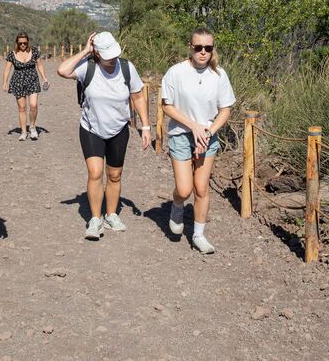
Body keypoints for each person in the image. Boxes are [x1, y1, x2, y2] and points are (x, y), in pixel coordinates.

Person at [57, 31, 151, 239]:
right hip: (91, 128)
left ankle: (111, 215)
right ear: (97, 53)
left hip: (119, 129)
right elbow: (62, 70)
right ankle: (95, 218)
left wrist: (145, 127)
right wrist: (84, 51)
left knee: (115, 175)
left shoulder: (127, 68)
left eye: (114, 55)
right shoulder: (87, 68)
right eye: (107, 56)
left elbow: (137, 96)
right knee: (95, 172)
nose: (113, 60)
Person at [160, 27, 235, 253]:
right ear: (190, 47)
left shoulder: (219, 75)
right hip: (182, 133)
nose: (203, 52)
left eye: (208, 48)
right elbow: (167, 106)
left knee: (201, 187)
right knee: (184, 190)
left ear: (213, 50)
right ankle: (177, 206)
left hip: (208, 136)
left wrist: (209, 132)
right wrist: (193, 126)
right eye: (199, 47)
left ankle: (199, 234)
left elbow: (226, 109)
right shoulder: (175, 72)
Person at [1, 32, 49, 140]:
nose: (23, 45)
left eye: (25, 43)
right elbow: (7, 69)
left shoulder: (35, 52)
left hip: (32, 80)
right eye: (20, 43)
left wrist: (44, 78)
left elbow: (40, 65)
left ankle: (32, 127)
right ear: (17, 43)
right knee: (22, 108)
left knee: (33, 105)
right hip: (18, 82)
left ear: (28, 42)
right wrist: (4, 82)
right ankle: (23, 131)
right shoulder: (12, 54)